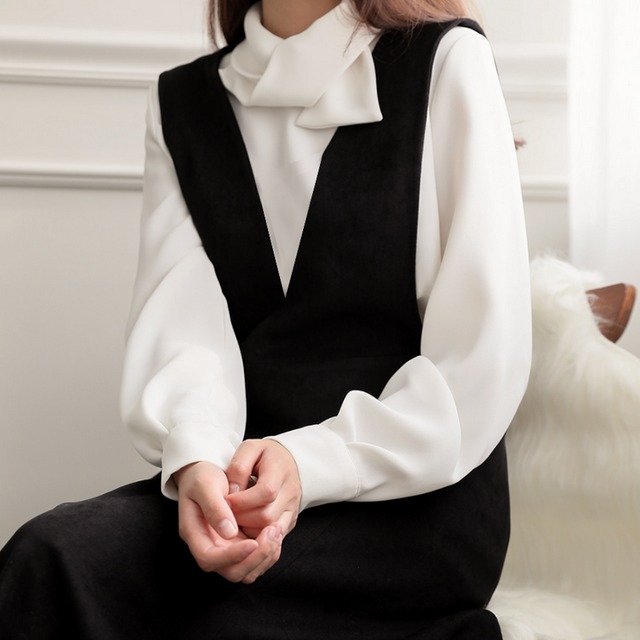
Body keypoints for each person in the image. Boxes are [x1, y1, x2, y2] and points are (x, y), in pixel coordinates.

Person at [0, 0, 532, 637]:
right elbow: (186, 332)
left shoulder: (446, 60)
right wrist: (197, 462)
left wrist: (309, 462)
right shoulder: (183, 104)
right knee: (48, 559)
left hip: (415, 500)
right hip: (244, 487)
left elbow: (478, 363)